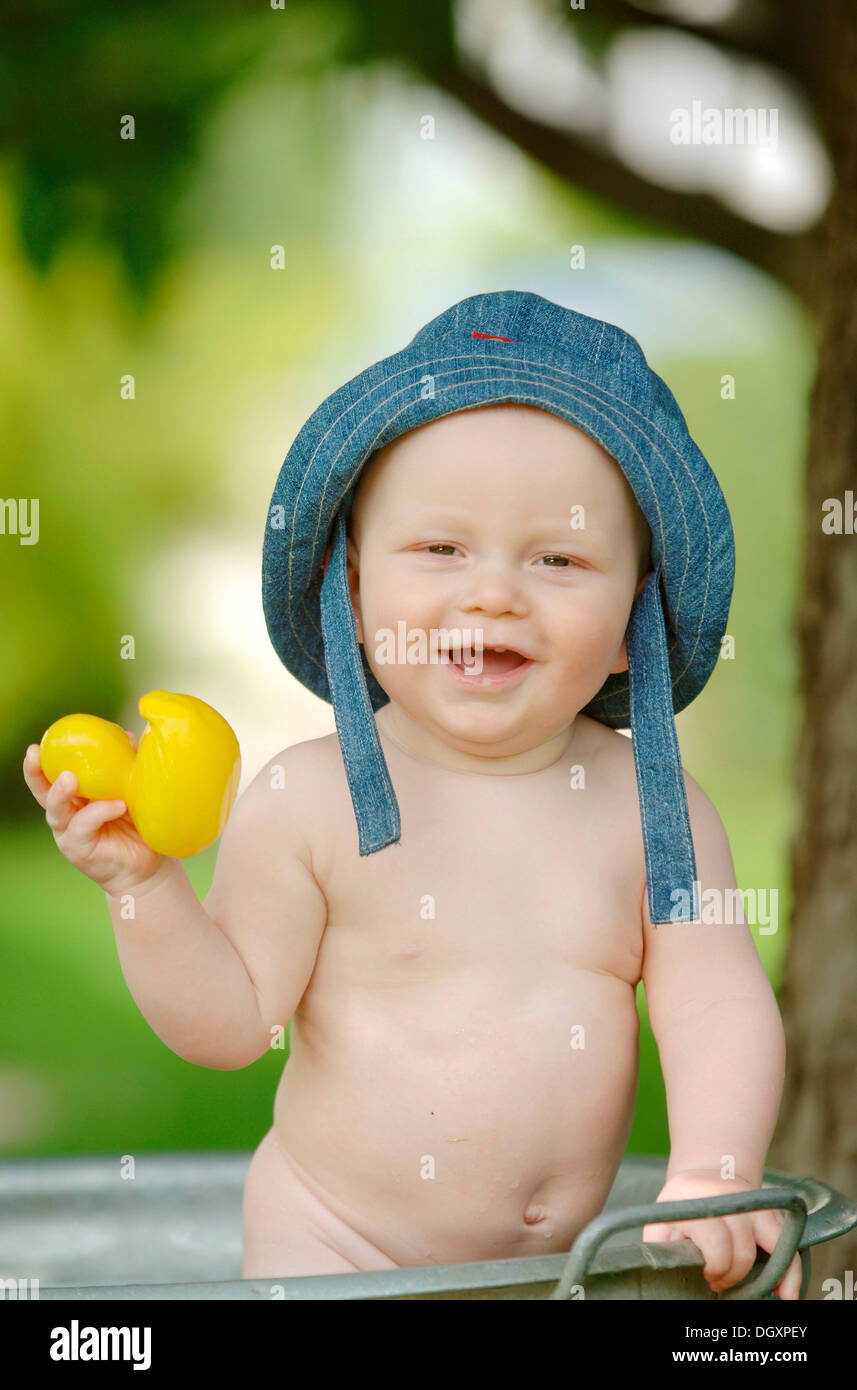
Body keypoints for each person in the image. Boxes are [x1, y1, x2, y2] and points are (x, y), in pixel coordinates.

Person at [23, 290, 801, 1298]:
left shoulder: (652, 811)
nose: (490, 592)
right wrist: (144, 886)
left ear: (628, 626)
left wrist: (714, 1173)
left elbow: (713, 1001)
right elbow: (226, 1026)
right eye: (440, 548)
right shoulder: (308, 800)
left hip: (552, 1271)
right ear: (350, 591)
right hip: (335, 1249)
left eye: (557, 557)